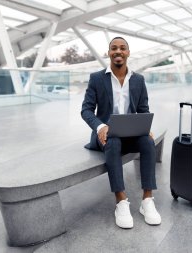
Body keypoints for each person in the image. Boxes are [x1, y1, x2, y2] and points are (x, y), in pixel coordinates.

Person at [81, 37, 161, 229]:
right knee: (114, 142)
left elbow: (143, 109)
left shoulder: (138, 80)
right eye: (114, 48)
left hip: (131, 133)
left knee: (148, 142)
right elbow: (86, 110)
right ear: (109, 53)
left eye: (122, 48)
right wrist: (101, 127)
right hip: (107, 137)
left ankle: (147, 200)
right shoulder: (97, 78)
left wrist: (145, 127)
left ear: (128, 53)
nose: (118, 51)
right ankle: (121, 201)